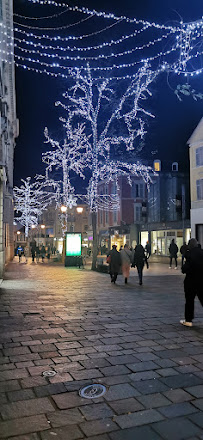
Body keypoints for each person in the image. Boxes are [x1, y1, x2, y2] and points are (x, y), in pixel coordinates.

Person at [180, 238, 203, 327]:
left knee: (189, 301)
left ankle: (188, 320)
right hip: (202, 281)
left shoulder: (189, 254)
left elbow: (185, 269)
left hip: (191, 282)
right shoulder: (202, 252)